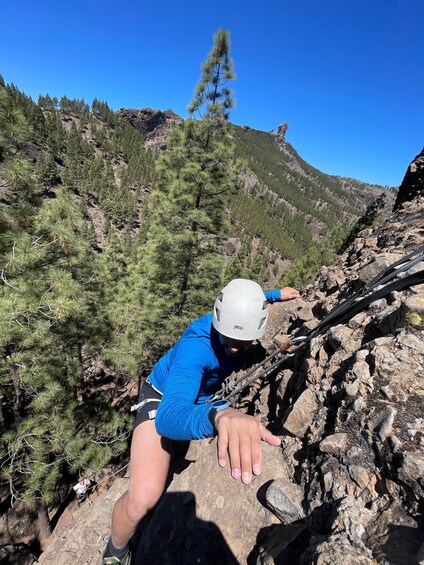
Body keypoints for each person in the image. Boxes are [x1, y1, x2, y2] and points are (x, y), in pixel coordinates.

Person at [102, 279, 300, 564]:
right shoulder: (196, 349)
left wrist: (275, 295)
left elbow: (248, 299)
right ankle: (114, 551)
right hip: (161, 397)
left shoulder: (235, 315)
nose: (236, 348)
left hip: (199, 396)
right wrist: (218, 415)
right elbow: (168, 418)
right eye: (230, 341)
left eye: (243, 343)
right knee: (143, 497)